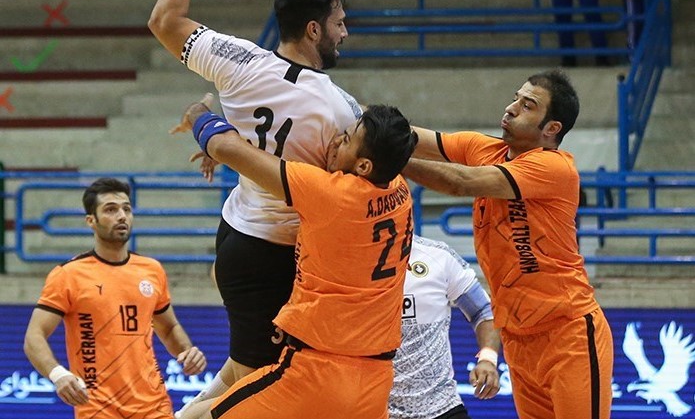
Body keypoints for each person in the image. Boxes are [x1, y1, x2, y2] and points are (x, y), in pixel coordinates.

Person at [148, 0, 363, 411]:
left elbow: (163, 21)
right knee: (261, 388)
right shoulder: (339, 109)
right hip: (273, 255)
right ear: (314, 29)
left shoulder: (239, 60)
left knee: (243, 370)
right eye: (339, 23)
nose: (345, 32)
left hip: (236, 235)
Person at [170, 98, 418, 419]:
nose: (335, 141)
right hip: (376, 381)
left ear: (364, 167)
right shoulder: (400, 190)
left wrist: (198, 114)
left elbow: (227, 148)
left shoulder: (329, 193)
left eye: (345, 139)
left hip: (317, 371)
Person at [403, 70, 613, 419]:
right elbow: (407, 136)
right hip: (517, 337)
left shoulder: (554, 167)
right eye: (516, 98)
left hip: (567, 334)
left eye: (528, 105)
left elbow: (459, 182)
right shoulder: (486, 149)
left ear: (551, 128)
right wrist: (341, 108)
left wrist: (388, 158)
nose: (511, 108)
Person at [23, 177, 207, 419]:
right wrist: (58, 374)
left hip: (155, 407)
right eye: (110, 210)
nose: (122, 216)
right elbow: (33, 337)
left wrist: (187, 351)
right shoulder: (68, 275)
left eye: (126, 209)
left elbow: (169, 327)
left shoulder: (151, 270)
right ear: (91, 220)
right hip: (98, 409)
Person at [389, 235, 501, 419]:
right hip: (375, 409)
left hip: (441, 408)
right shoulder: (349, 264)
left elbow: (483, 311)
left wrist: (488, 359)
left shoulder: (438, 256)